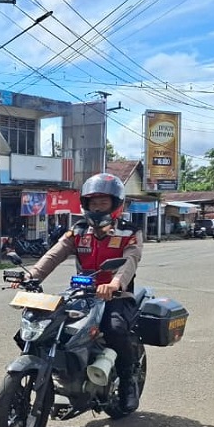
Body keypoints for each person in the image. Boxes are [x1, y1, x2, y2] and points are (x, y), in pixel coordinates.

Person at [20, 173, 143, 413]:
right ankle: (52, 371)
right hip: (81, 294)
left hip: (117, 296)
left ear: (116, 204)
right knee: (43, 326)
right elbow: (54, 255)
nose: (97, 207)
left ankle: (128, 383)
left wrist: (115, 283)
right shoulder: (78, 230)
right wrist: (32, 275)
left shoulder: (129, 232)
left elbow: (131, 260)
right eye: (93, 202)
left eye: (103, 202)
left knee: (115, 329)